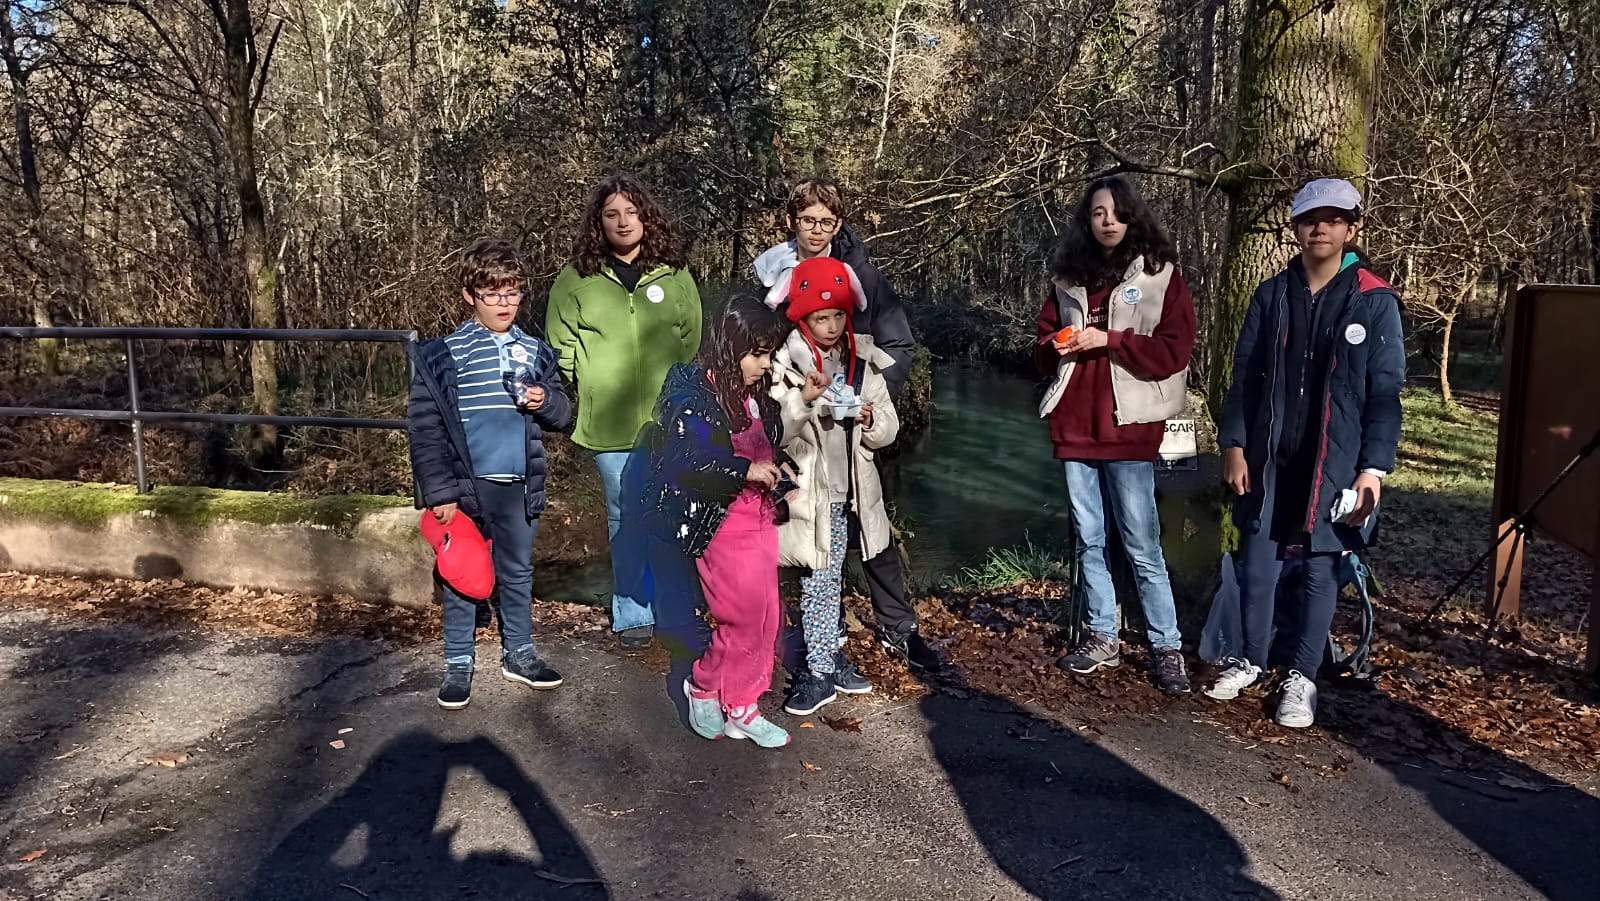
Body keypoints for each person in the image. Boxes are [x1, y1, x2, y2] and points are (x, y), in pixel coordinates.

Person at [1207, 177, 1405, 729]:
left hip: (1335, 463)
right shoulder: (1271, 294)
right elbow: (1244, 376)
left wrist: (1372, 471)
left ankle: (1301, 677)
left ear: (1352, 228)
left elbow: (1385, 394)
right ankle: (1248, 659)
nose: (1320, 228)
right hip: (1271, 459)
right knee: (1260, 563)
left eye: (1334, 219)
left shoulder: (1375, 299)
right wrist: (1235, 443)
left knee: (1322, 567)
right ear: (1295, 228)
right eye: (1309, 219)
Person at [754, 178, 944, 673]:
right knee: (808, 537)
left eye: (826, 221)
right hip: (801, 433)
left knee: (872, 531)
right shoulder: (773, 276)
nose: (816, 230)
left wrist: (868, 394)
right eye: (807, 220)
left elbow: (898, 345)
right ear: (792, 221)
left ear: (838, 224)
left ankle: (899, 628)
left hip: (855, 430)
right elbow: (755, 347)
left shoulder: (863, 276)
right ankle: (819, 638)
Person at [1036, 176, 1197, 695]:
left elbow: (1174, 351)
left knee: (1141, 543)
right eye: (1096, 213)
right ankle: (1101, 635)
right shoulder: (1067, 277)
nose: (1106, 221)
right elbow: (1039, 343)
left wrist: (1110, 339)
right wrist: (1055, 345)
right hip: (1074, 426)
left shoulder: (1160, 276)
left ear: (1132, 216)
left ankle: (1165, 645)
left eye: (1115, 212)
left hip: (1130, 427)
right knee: (1089, 540)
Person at [408, 237, 572, 709]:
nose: (504, 303)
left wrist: (547, 402)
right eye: (491, 294)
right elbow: (425, 429)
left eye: (512, 292)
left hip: (518, 486)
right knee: (463, 576)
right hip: (463, 488)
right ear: (469, 295)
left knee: (517, 573)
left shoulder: (536, 352)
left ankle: (519, 653)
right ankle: (458, 663)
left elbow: (563, 416)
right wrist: (439, 492)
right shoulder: (444, 355)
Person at [546, 174, 702, 650]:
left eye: (631, 211)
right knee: (626, 515)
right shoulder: (577, 278)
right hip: (608, 427)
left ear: (645, 217)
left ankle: (676, 607)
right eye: (612, 213)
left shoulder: (673, 273)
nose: (622, 221)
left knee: (673, 513)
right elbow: (560, 343)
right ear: (599, 222)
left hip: (668, 423)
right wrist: (592, 381)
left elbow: (690, 336)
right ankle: (634, 608)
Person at [635, 297, 793, 748]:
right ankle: (704, 684)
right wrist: (743, 471)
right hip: (718, 521)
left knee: (766, 617)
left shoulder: (755, 394)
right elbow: (689, 458)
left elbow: (766, 444)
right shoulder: (692, 394)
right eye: (757, 354)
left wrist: (780, 472)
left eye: (769, 353)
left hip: (759, 516)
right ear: (729, 348)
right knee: (739, 616)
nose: (765, 364)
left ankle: (744, 703)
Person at [768, 256, 903, 715]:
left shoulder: (864, 362)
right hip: (811, 492)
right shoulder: (785, 366)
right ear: (802, 318)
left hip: (855, 492)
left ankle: (829, 657)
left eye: (837, 315)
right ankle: (820, 670)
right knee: (816, 580)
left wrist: (869, 419)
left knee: (831, 579)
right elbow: (775, 432)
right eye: (819, 317)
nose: (829, 325)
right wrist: (804, 400)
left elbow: (889, 429)